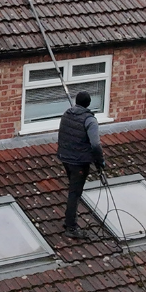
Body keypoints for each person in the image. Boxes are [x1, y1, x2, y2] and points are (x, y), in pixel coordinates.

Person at [56, 90, 105, 237]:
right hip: (78, 162)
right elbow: (95, 144)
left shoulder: (67, 114)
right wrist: (100, 162)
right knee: (75, 192)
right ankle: (71, 227)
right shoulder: (90, 120)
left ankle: (70, 220)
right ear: (89, 103)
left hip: (65, 157)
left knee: (73, 188)